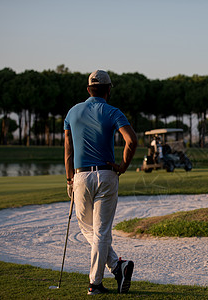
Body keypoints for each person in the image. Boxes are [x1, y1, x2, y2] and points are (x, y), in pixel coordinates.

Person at [64, 70, 138, 295]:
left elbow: (68, 149)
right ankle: (117, 267)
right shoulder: (112, 111)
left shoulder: (72, 112)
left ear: (88, 89)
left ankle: (98, 280)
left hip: (80, 176)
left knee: (89, 229)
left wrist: (69, 179)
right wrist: (123, 166)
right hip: (107, 174)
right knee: (100, 231)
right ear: (108, 90)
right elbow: (132, 140)